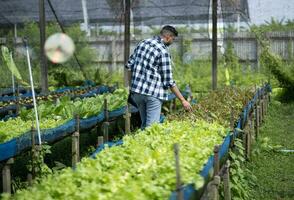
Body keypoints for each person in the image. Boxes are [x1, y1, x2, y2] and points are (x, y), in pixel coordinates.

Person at [126, 25, 192, 129]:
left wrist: (131, 87)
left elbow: (129, 66)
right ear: (168, 37)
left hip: (137, 93)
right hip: (153, 94)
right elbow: (168, 81)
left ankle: (141, 144)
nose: (172, 42)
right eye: (173, 39)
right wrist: (183, 100)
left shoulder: (143, 43)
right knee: (152, 128)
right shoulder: (163, 51)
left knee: (144, 125)